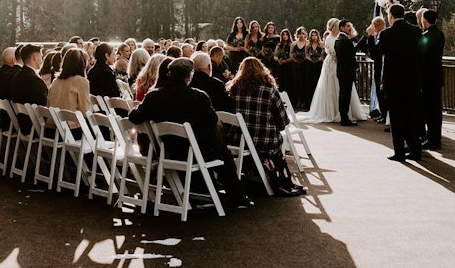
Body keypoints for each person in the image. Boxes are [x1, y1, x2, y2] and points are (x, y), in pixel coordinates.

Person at [128, 58, 252, 209]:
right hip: (195, 152)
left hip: (165, 150)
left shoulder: (154, 96)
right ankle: (236, 196)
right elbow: (212, 120)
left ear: (169, 74)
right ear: (189, 76)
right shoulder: (198, 96)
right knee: (222, 151)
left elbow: (134, 117)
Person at [227, 57, 305, 196]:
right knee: (278, 141)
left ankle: (251, 172)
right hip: (264, 140)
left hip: (237, 139)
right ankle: (278, 177)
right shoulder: (269, 90)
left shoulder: (233, 89)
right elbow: (282, 121)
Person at [298, 19, 366, 123]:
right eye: (337, 25)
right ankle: (334, 112)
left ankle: (346, 112)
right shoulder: (329, 38)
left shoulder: (342, 37)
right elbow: (333, 53)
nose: (338, 27)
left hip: (341, 64)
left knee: (344, 89)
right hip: (332, 63)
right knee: (334, 86)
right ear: (333, 27)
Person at [380, 3, 424, 162]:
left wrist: (372, 37)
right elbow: (422, 54)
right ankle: (415, 151)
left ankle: (399, 152)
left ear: (390, 16)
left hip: (393, 81)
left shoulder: (386, 34)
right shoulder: (416, 31)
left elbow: (377, 53)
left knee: (396, 118)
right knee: (411, 116)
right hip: (412, 80)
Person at [420, 9, 446, 150]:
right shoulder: (440, 35)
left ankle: (431, 139)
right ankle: (437, 138)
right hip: (437, 75)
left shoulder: (425, 36)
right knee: (436, 109)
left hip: (427, 77)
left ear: (424, 20)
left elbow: (422, 57)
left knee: (429, 110)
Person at [10, 44, 49, 132]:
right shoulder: (35, 80)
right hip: (35, 126)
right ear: (34, 57)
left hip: (23, 123)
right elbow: (44, 106)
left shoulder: (18, 76)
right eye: (41, 56)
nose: (42, 59)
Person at [47, 47, 90, 116]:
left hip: (53, 120)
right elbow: (85, 111)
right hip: (71, 121)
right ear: (83, 64)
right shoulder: (81, 82)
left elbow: (48, 105)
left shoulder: (55, 81)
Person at [361, 17, 386, 120]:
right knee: (379, 92)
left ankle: (384, 114)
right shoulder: (380, 35)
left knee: (381, 92)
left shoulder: (383, 35)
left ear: (377, 26)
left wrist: (371, 36)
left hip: (381, 68)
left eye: (373, 25)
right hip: (379, 67)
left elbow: (374, 53)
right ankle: (383, 113)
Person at [334, 20, 358, 127]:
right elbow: (351, 55)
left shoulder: (338, 40)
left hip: (341, 70)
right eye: (348, 26)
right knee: (345, 95)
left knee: (343, 94)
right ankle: (344, 118)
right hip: (347, 71)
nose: (350, 28)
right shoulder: (345, 40)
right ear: (342, 28)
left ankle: (343, 117)